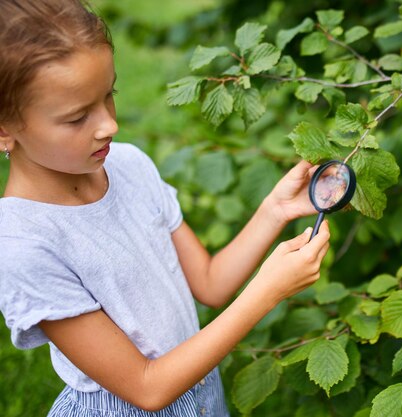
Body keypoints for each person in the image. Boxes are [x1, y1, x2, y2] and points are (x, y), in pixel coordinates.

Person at [0, 1, 330, 415]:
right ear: (5, 129)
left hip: (201, 390)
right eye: (77, 117)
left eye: (109, 96)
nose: (109, 126)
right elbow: (146, 388)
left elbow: (210, 284)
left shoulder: (129, 164)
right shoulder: (23, 245)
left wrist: (274, 210)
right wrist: (267, 292)